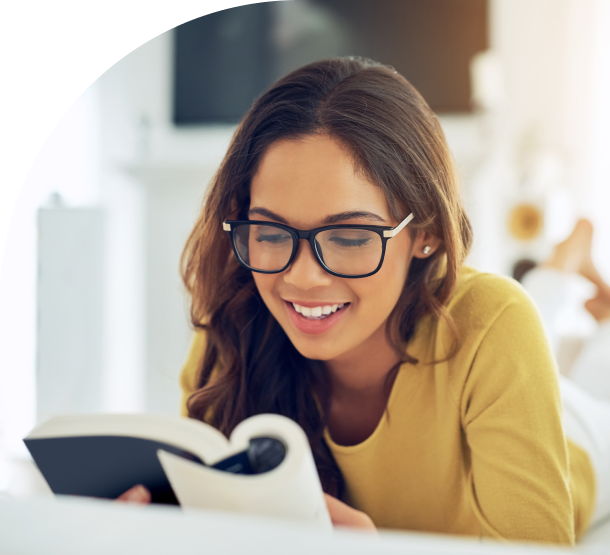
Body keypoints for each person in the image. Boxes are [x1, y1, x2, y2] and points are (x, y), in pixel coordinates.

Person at [119, 58, 606, 544]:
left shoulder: (496, 324)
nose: (302, 277)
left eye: (349, 237)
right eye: (269, 231)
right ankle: (563, 268)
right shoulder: (231, 336)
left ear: (427, 233)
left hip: (585, 435)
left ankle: (568, 263)